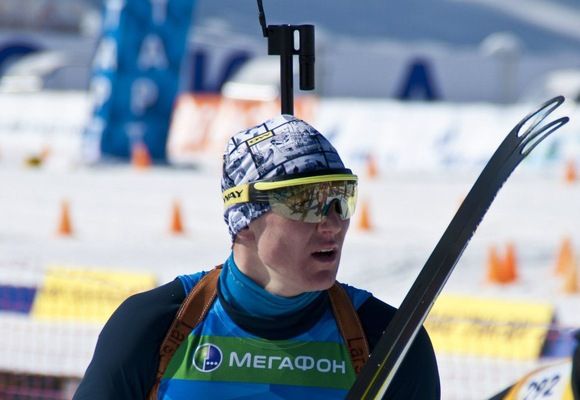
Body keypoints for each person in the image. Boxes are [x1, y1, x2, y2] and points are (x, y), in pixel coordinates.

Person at [74, 114, 440, 399]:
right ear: (245, 220)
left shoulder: (390, 342)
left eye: (341, 199)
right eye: (305, 203)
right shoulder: (151, 326)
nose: (332, 223)